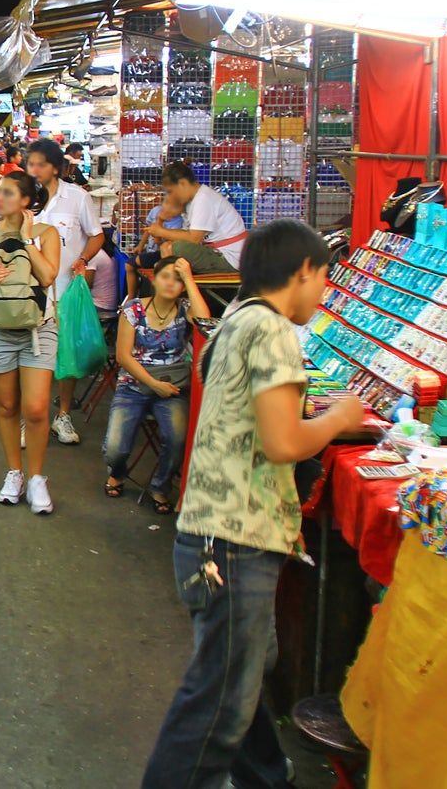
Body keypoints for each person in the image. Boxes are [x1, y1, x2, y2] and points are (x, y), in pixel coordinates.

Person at [141, 220, 366, 789]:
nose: (324, 292)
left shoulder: (237, 319)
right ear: (304, 271)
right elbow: (284, 442)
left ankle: (267, 777)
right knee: (218, 705)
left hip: (213, 535)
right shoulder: (270, 329)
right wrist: (339, 419)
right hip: (233, 541)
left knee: (236, 683)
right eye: (324, 278)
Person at [0, 171, 61, 511]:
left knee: (36, 408)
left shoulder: (46, 234)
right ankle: (14, 472)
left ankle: (37, 478)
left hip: (38, 330)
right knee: (6, 406)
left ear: (26, 200)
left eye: (7, 192)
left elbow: (47, 277)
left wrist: (27, 240)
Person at [103, 256, 210, 512]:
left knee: (177, 439)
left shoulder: (184, 308)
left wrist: (189, 279)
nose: (171, 283)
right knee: (114, 449)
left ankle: (160, 486)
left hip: (172, 386)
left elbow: (204, 321)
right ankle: (118, 472)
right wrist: (153, 384)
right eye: (165, 276)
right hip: (133, 384)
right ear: (153, 279)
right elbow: (123, 356)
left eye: (177, 279)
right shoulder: (134, 310)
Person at [25, 138, 103, 445]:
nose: (34, 169)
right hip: (29, 290)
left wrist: (83, 259)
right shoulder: (24, 197)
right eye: (31, 164)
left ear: (55, 168)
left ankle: (63, 415)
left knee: (65, 352)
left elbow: (96, 235)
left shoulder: (77, 198)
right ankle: (31, 417)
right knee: (31, 353)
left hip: (65, 290)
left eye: (40, 164)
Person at [146, 161, 247, 273]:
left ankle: (172, 277)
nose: (171, 196)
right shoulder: (191, 202)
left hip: (229, 258)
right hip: (216, 251)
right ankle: (169, 277)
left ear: (183, 184)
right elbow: (183, 235)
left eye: (171, 191)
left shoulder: (203, 198)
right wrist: (160, 222)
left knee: (178, 248)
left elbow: (194, 239)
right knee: (166, 246)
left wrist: (161, 231)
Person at [128, 192, 186, 297]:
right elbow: (148, 229)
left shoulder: (179, 222)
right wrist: (140, 246)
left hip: (163, 254)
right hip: (151, 250)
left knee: (154, 272)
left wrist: (160, 222)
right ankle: (131, 296)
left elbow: (159, 242)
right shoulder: (155, 211)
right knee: (129, 265)